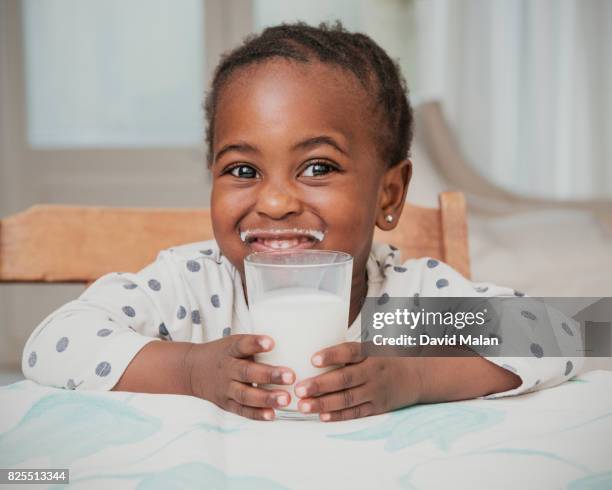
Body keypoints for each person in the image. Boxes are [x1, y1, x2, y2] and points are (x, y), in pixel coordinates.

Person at [21, 22, 583, 422]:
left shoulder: (403, 308)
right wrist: (190, 370)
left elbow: (566, 331)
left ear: (390, 193)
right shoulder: (193, 290)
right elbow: (51, 344)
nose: (274, 202)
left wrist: (416, 377)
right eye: (242, 168)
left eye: (318, 166)